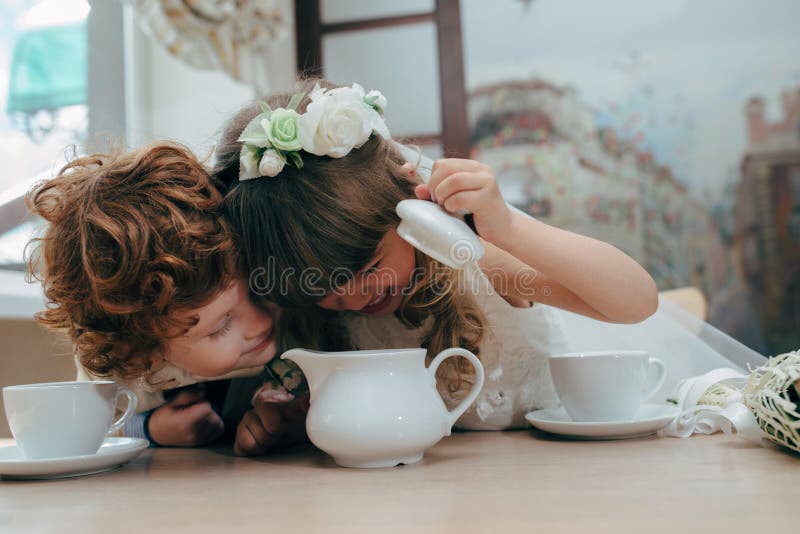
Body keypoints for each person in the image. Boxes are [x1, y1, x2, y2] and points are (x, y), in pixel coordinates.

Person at [211, 79, 705, 430]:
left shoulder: (473, 261)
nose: (354, 299)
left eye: (368, 268)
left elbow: (636, 303)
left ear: (408, 203)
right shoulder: (325, 322)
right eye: (325, 292)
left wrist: (507, 228)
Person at [26, 141, 307, 453]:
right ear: (143, 352)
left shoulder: (297, 310)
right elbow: (88, 432)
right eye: (221, 326)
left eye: (258, 290)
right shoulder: (118, 364)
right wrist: (148, 428)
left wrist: (299, 423)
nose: (261, 321)